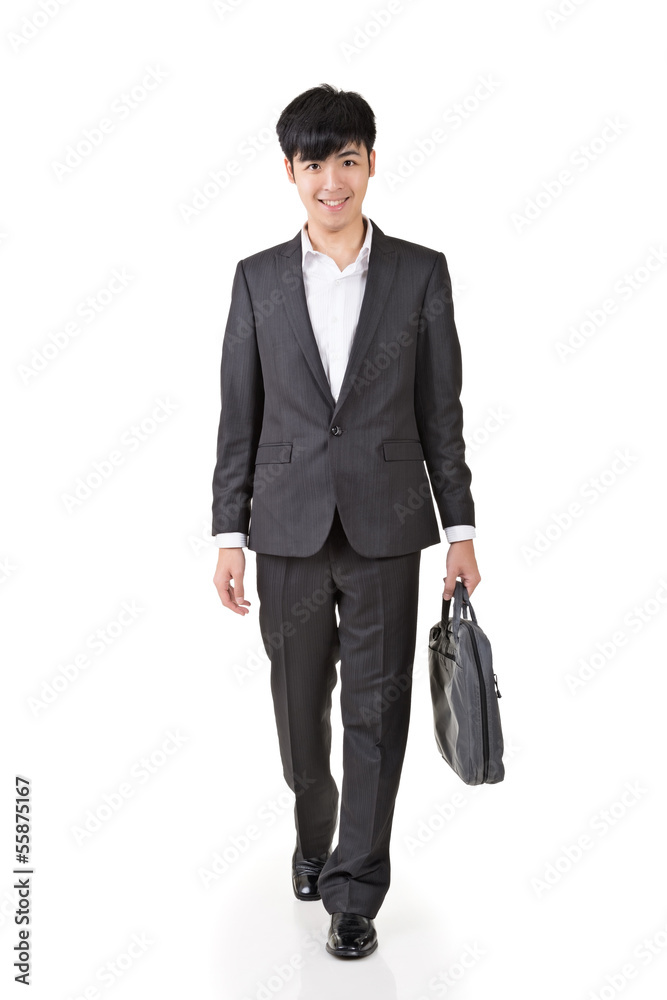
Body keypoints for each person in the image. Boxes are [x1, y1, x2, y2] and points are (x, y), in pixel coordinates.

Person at [212, 83, 480, 960]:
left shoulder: (419, 272)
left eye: (348, 160)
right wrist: (227, 535)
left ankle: (354, 888)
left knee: (376, 710)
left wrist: (459, 529)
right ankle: (313, 826)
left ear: (371, 163)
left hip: (387, 527)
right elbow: (239, 415)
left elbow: (441, 410)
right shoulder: (256, 279)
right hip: (285, 527)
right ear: (289, 172)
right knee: (300, 717)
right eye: (314, 164)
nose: (332, 180)